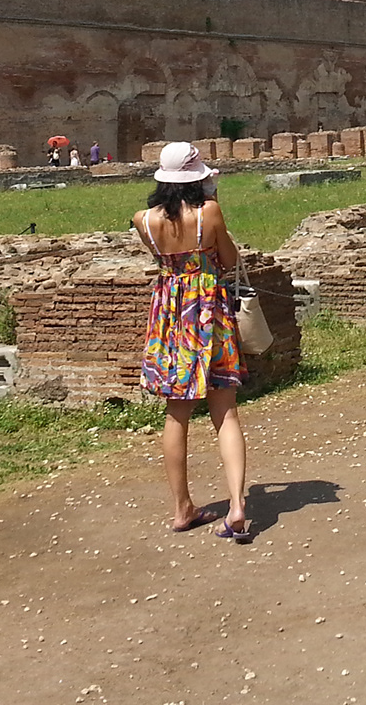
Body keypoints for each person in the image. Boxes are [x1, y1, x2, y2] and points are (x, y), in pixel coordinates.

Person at [132, 141, 252, 542]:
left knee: (176, 414)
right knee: (226, 412)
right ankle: (236, 506)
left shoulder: (142, 220)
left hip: (170, 314)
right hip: (208, 312)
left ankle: (182, 507)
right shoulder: (208, 212)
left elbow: (163, 260)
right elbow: (230, 260)